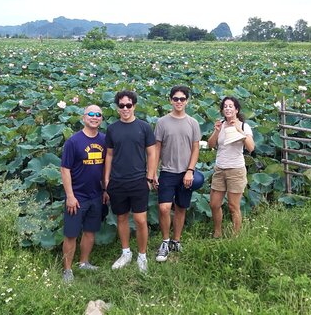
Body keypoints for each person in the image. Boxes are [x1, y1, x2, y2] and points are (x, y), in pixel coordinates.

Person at [104, 90, 158, 273]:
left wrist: (150, 177)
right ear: (117, 108)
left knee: (140, 219)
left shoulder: (144, 127)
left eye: (128, 105)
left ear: (134, 106)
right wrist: (106, 180)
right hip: (117, 181)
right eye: (121, 106)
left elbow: (152, 153)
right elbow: (109, 155)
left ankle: (142, 255)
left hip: (138, 180)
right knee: (121, 217)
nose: (125, 108)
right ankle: (126, 252)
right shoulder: (112, 129)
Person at [153, 85, 201, 262]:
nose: (179, 102)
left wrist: (190, 171)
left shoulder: (193, 123)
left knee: (181, 207)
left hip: (185, 173)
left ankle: (176, 240)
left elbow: (195, 149)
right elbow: (156, 149)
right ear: (170, 100)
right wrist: (153, 171)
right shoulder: (162, 122)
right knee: (164, 207)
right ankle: (165, 241)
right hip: (167, 171)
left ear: (187, 101)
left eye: (182, 99)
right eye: (175, 99)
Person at [60, 105, 107, 283]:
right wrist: (70, 196)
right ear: (83, 117)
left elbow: (105, 168)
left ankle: (84, 262)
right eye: (91, 114)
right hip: (77, 196)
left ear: (101, 119)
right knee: (71, 233)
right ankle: (67, 270)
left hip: (96, 194)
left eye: (98, 115)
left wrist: (104, 190)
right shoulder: (73, 141)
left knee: (90, 231)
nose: (95, 117)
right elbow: (65, 170)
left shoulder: (104, 140)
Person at [207, 96, 255, 237]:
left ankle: (236, 236)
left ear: (236, 109)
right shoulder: (220, 125)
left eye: (230, 106)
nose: (227, 108)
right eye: (225, 106)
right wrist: (216, 130)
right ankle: (218, 232)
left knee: (233, 206)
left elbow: (251, 147)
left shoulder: (244, 126)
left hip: (236, 170)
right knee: (214, 204)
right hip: (220, 169)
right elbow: (210, 145)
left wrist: (239, 130)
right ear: (222, 110)